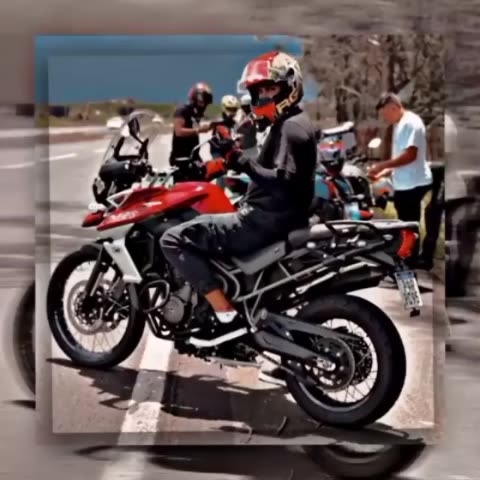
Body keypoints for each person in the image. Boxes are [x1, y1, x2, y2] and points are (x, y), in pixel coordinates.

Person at [160, 51, 317, 386]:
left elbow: (281, 181)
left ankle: (225, 314)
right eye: (259, 91)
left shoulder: (290, 128)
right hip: (280, 218)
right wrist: (233, 160)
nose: (262, 97)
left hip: (261, 222)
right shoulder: (294, 122)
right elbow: (275, 178)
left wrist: (238, 160)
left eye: (270, 89)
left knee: (173, 238)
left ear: (289, 86)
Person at [368, 92, 433, 263]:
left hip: (413, 183)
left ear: (394, 107)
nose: (385, 119)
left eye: (385, 114)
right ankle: (406, 255)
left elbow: (410, 155)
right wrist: (386, 172)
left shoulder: (410, 123)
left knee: (409, 224)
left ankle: (410, 260)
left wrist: (383, 165)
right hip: (404, 182)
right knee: (404, 222)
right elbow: (400, 157)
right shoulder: (400, 123)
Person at [169, 82, 214, 167]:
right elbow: (179, 132)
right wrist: (199, 130)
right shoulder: (182, 110)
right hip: (181, 157)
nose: (204, 106)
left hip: (194, 156)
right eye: (203, 102)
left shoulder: (196, 114)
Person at [236, 93, 259, 159]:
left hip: (250, 150)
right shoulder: (245, 117)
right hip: (245, 149)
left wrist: (237, 128)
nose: (241, 108)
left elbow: (245, 131)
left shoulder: (251, 117)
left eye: (243, 107)